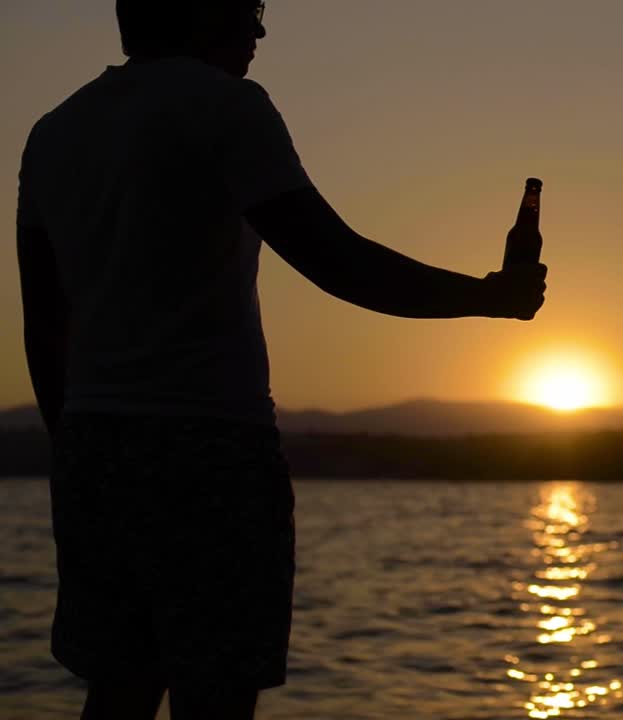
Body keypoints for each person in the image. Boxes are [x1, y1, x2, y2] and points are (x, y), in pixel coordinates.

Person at [15, 2, 547, 718]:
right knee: (217, 696)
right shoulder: (228, 107)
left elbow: (44, 325)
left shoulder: (53, 131)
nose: (259, 31)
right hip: (210, 449)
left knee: (118, 690)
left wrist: (76, 445)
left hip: (93, 449)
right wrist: (490, 298)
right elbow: (337, 261)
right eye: (250, 8)